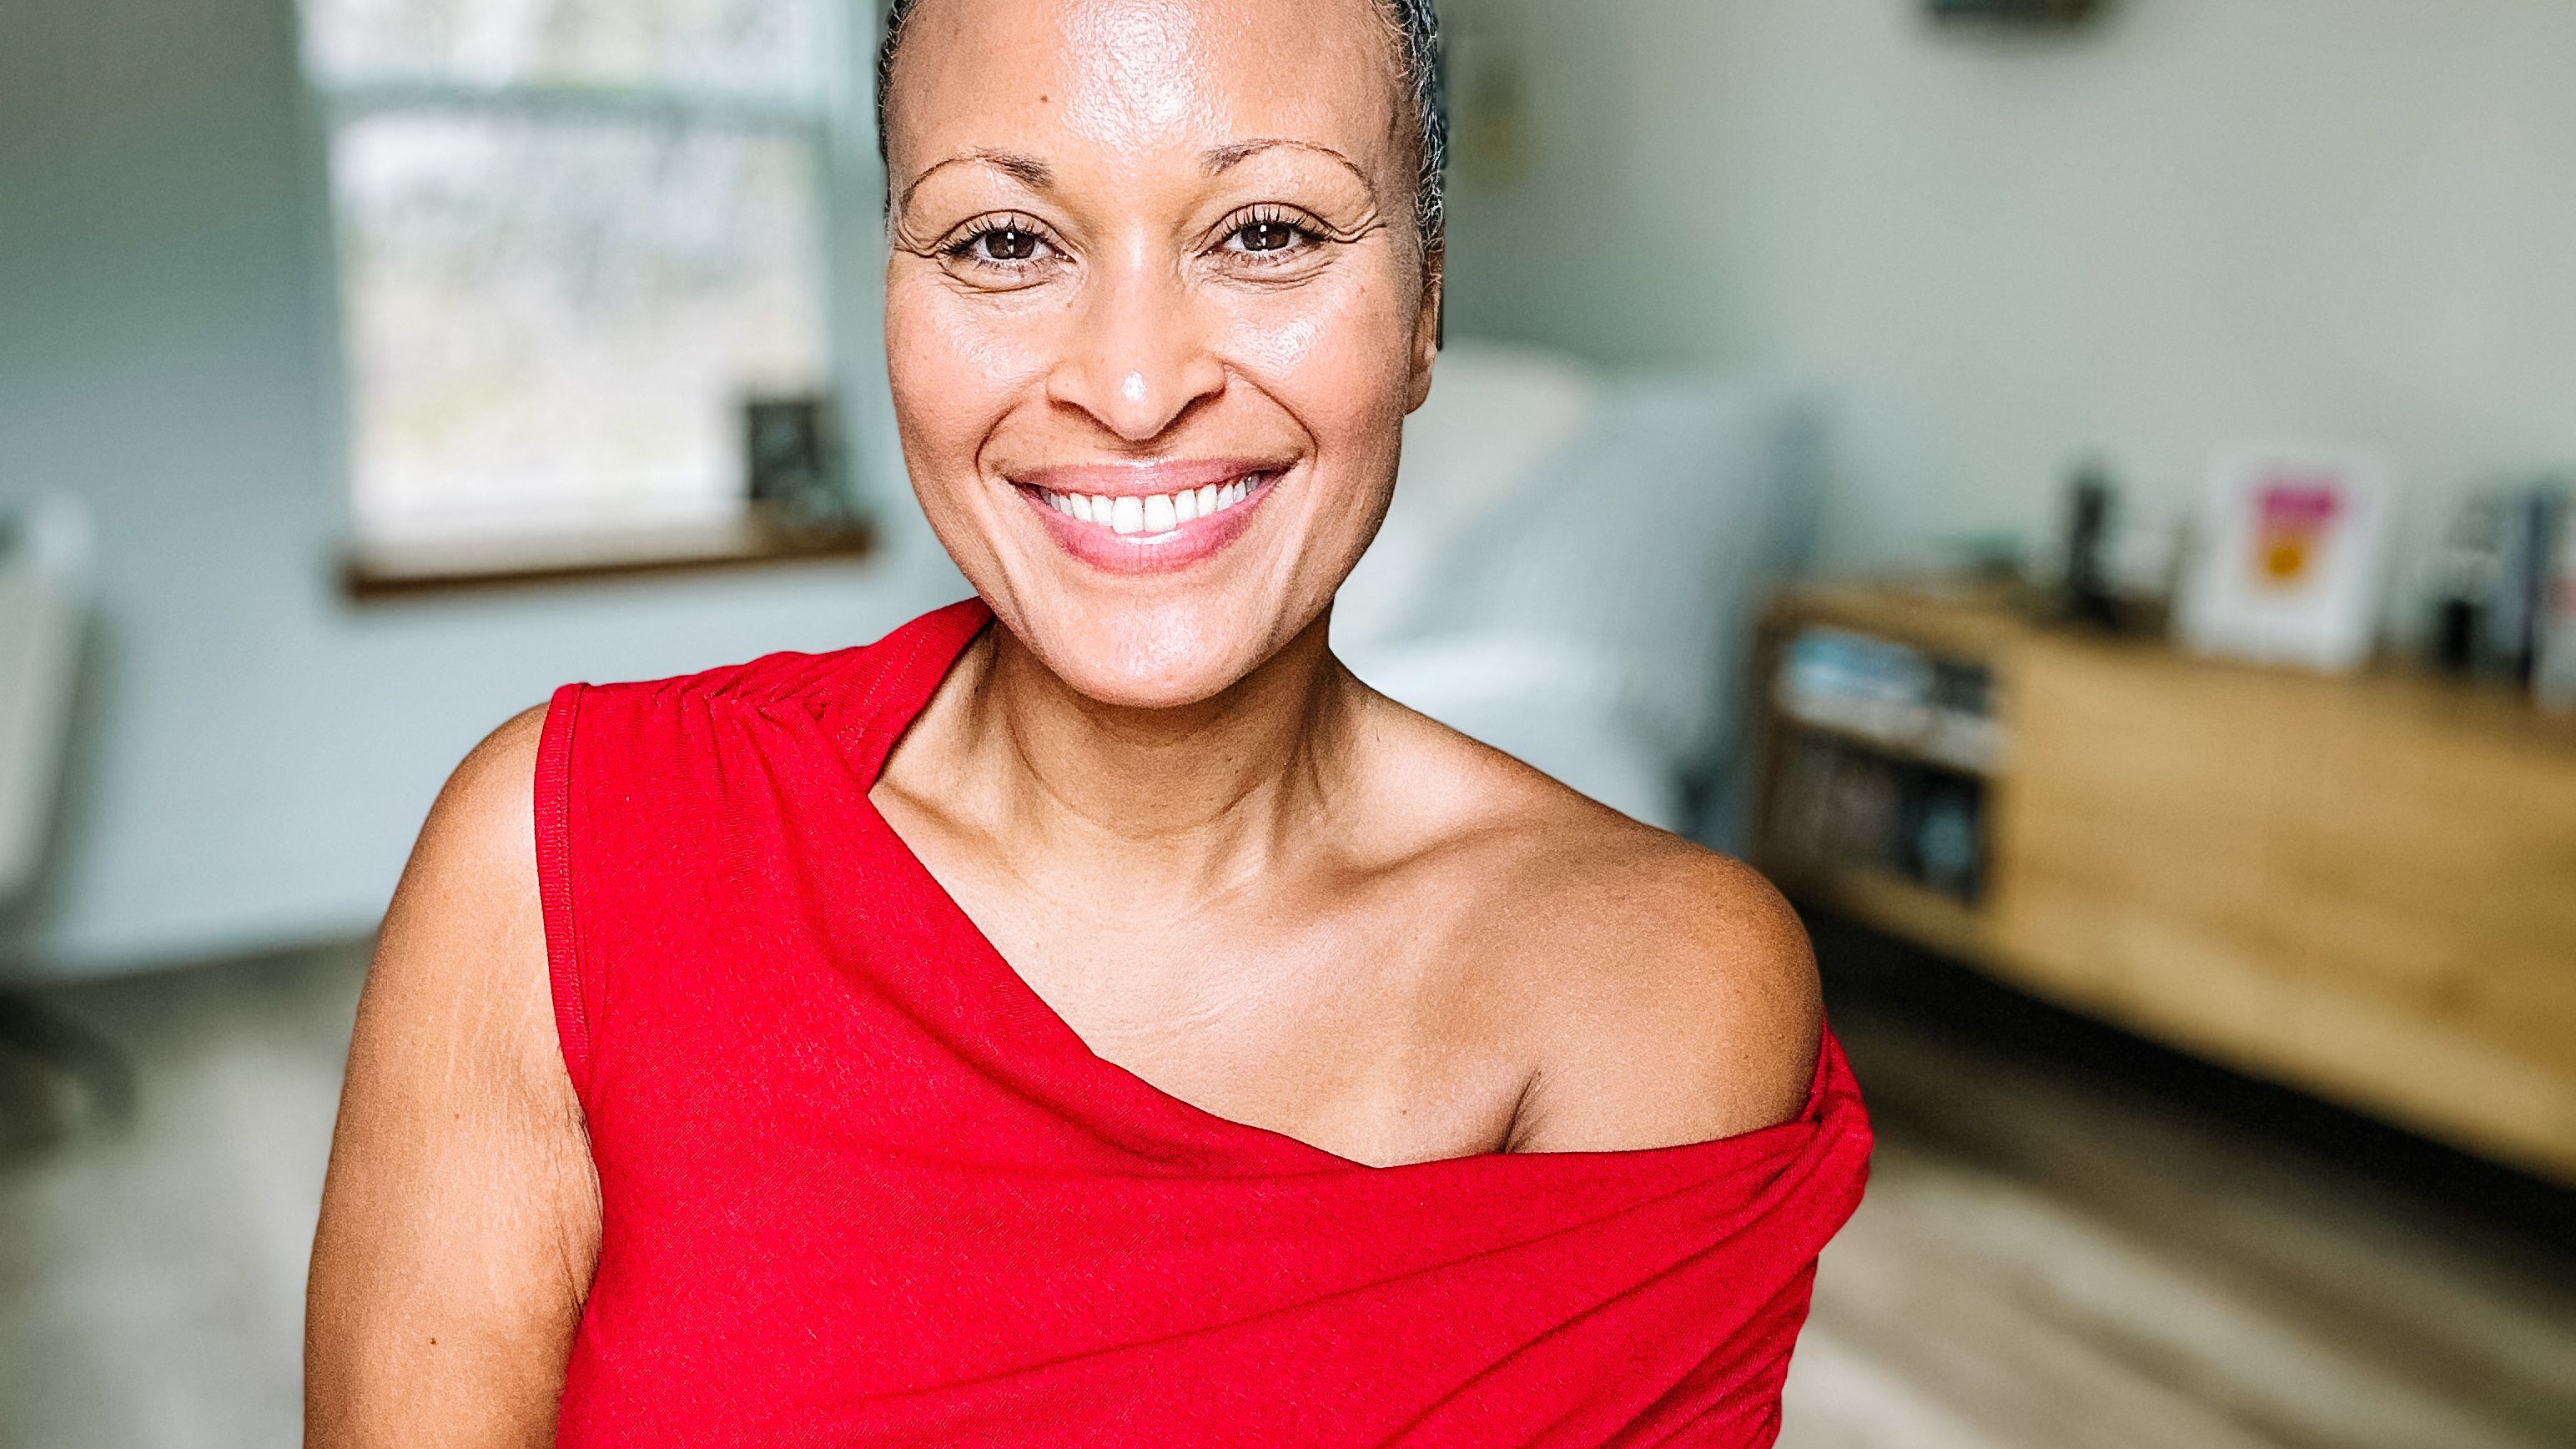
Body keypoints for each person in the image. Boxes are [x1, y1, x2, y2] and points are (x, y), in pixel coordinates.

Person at [304, 0, 1870, 1442]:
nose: (1130, 385)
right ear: (894, 297)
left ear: (1425, 306)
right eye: (1002, 239)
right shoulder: (564, 856)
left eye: (1265, 231)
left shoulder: (1652, 982)